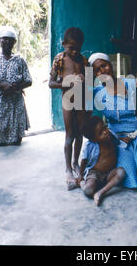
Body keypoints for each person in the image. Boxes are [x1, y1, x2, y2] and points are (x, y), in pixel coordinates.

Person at [88, 53, 137, 189]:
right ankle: (134, 161)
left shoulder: (132, 84)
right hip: (118, 139)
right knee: (129, 180)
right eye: (97, 70)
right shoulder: (97, 93)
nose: (102, 71)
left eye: (104, 65)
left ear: (111, 65)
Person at [49, 27, 89, 190]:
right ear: (64, 44)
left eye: (77, 48)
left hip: (81, 101)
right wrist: (67, 83)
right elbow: (51, 83)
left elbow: (90, 82)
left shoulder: (84, 61)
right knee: (69, 136)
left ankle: (75, 163)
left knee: (80, 135)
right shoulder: (59, 59)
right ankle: (67, 169)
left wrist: (84, 79)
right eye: (71, 48)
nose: (74, 52)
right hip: (67, 101)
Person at [0, 26, 32, 146]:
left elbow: (28, 80)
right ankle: (2, 139)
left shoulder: (19, 60)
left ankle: (16, 138)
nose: (7, 41)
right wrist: (2, 86)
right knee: (1, 140)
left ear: (14, 42)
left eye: (10, 39)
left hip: (16, 99)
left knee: (16, 140)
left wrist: (14, 87)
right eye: (4, 39)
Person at [76, 116, 126, 206]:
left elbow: (118, 140)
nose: (105, 132)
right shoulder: (90, 145)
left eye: (105, 128)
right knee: (88, 190)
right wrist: (80, 175)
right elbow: (84, 160)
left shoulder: (111, 136)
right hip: (95, 173)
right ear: (93, 139)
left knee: (121, 172)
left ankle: (100, 193)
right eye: (100, 133)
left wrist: (124, 140)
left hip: (109, 173)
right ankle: (81, 183)